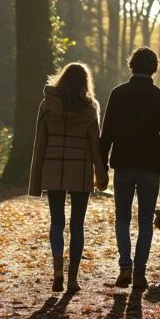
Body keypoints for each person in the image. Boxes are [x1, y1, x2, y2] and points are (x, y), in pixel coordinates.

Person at [100, 46, 160, 289]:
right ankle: (139, 273)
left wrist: (101, 167)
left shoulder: (118, 94)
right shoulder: (159, 97)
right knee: (146, 222)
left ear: (132, 65)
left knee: (122, 220)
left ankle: (125, 266)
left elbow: (107, 135)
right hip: (150, 168)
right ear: (154, 68)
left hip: (123, 166)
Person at [29, 62, 108, 293]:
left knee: (57, 222)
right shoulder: (90, 107)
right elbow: (95, 146)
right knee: (77, 225)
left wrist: (36, 179)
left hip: (53, 168)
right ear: (85, 83)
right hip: (80, 170)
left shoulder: (46, 105)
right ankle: (73, 279)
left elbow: (39, 144)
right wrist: (101, 174)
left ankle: (57, 273)